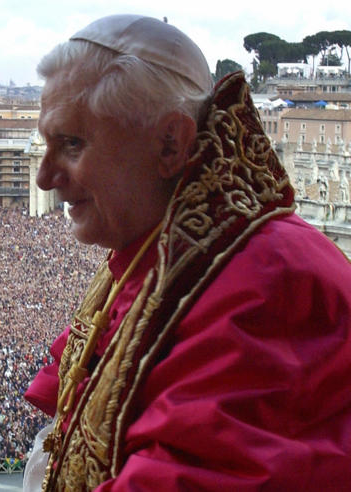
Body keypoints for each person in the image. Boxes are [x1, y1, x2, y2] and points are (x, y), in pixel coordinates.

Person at [23, 14, 351, 491]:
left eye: (71, 144)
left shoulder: (268, 288)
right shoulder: (158, 250)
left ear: (170, 144)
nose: (44, 177)